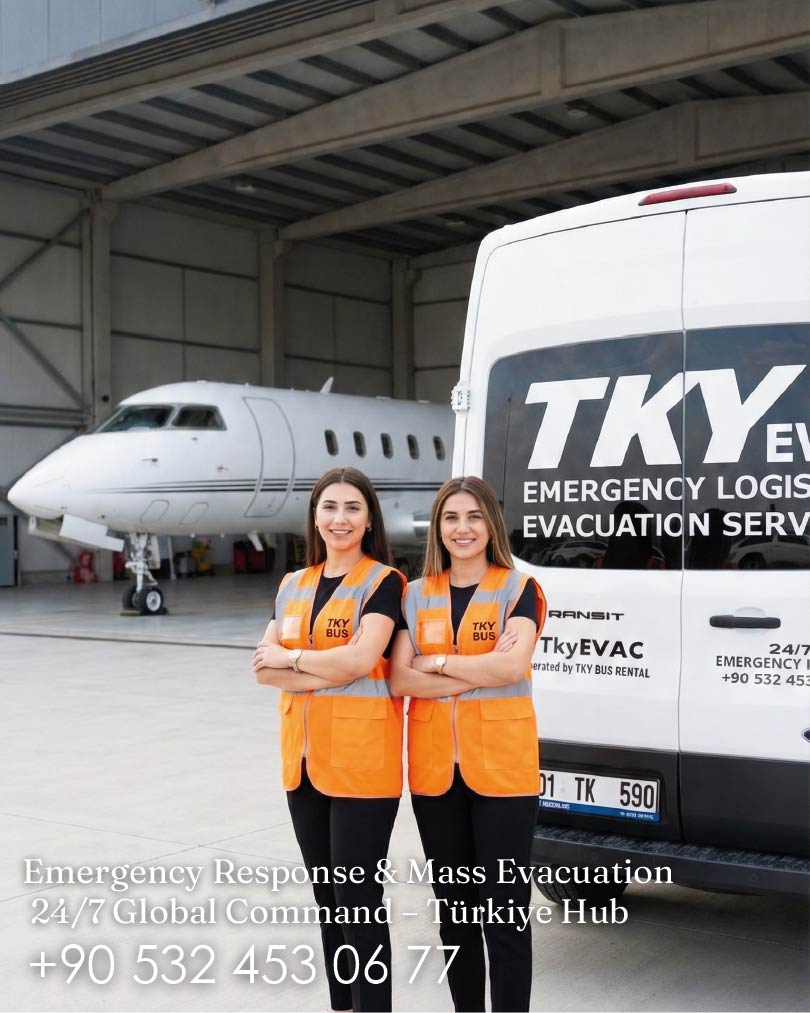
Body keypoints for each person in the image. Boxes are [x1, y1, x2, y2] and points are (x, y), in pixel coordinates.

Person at [391, 476, 546, 1013]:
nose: (463, 528)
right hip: (436, 776)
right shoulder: (414, 595)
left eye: (474, 516)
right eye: (451, 517)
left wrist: (435, 663)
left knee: (505, 915)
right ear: (438, 527)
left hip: (504, 772)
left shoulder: (519, 589)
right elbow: (400, 679)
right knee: (455, 916)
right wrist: (475, 671)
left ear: (492, 525)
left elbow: (510, 667)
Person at [253, 466, 405, 1013]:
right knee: (329, 902)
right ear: (315, 518)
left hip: (363, 767)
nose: (340, 519)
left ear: (369, 521)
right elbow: (262, 670)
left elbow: (361, 660)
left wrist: (293, 658)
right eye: (330, 507)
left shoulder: (384, 582)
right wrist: (325, 667)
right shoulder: (292, 584)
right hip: (303, 764)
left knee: (358, 901)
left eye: (352, 508)